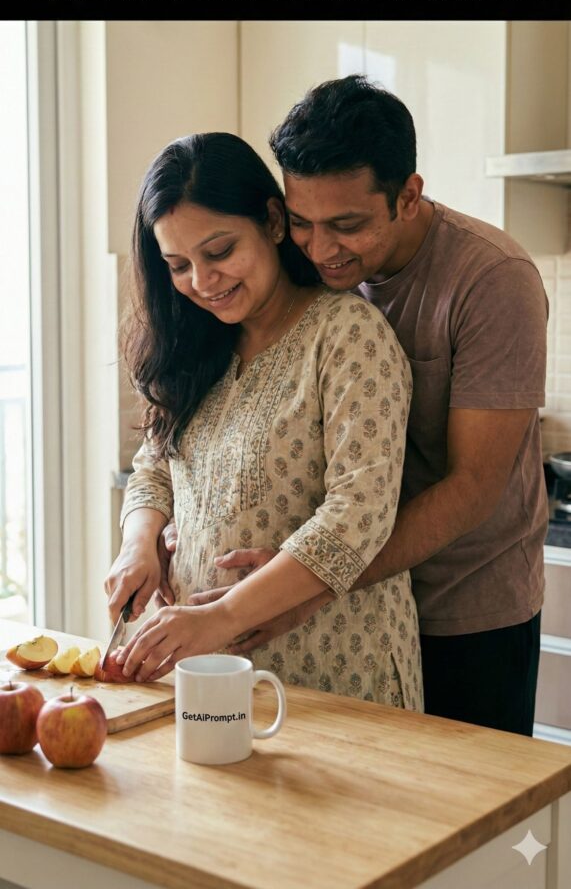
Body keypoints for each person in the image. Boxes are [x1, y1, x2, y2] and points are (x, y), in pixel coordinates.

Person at [185, 77, 548, 737]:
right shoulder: (303, 273)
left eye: (346, 225)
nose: (321, 249)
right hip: (353, 610)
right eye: (301, 222)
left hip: (466, 606)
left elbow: (471, 487)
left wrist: (313, 581)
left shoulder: (492, 281)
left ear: (408, 196)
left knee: (471, 822)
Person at [105, 131, 423, 710]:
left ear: (274, 222)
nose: (202, 282)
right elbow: (154, 465)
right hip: (207, 674)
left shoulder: (349, 335)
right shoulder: (196, 350)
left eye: (220, 252)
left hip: (334, 668)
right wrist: (138, 542)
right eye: (178, 265)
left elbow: (359, 514)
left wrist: (222, 617)